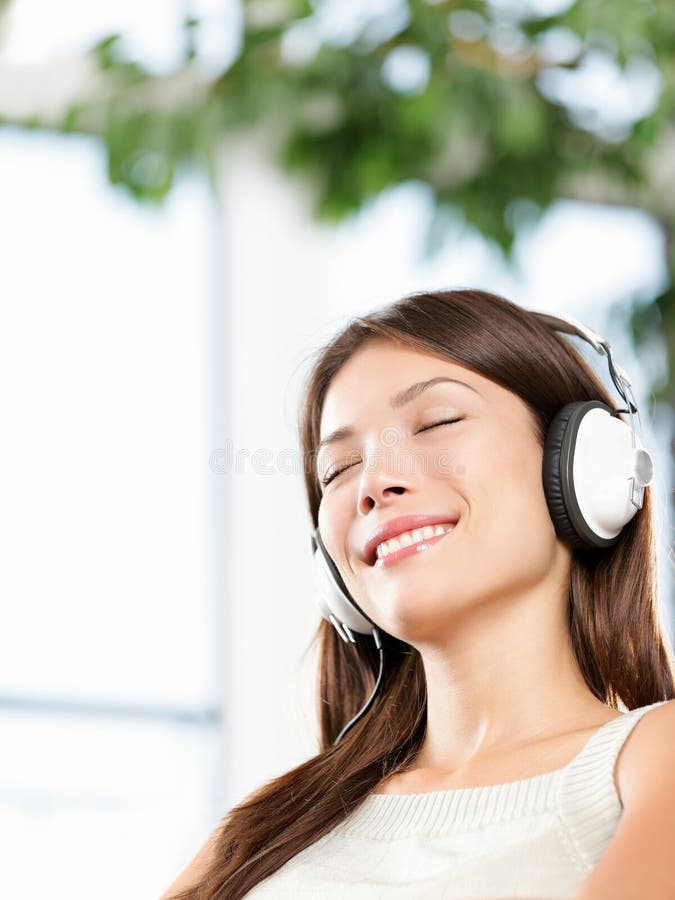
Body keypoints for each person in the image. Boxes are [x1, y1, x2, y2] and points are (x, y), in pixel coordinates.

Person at [161, 288, 675, 900]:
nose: (375, 483)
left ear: (584, 466)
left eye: (437, 422)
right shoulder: (261, 831)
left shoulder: (651, 759)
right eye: (338, 469)